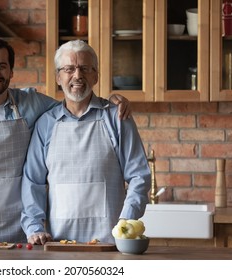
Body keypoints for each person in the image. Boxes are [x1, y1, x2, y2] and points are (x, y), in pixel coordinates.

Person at [0, 37, 132, 244]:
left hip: (23, 231)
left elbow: (74, 101)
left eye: (1, 66)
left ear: (11, 72)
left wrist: (110, 102)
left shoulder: (31, 103)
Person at [20, 40, 151, 245]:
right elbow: (32, 182)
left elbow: (139, 176)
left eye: (85, 69)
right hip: (58, 246)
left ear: (96, 76)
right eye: (69, 69)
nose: (77, 76)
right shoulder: (45, 124)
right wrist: (35, 228)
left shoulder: (116, 118)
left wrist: (127, 220)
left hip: (109, 245)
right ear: (58, 77)